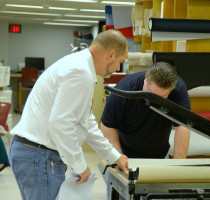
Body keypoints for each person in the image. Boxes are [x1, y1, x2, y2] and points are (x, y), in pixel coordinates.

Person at [9, 30, 129, 200]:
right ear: (111, 55)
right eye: (120, 62)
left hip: (33, 154)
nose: (118, 68)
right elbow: (61, 124)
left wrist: (113, 156)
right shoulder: (80, 73)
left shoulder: (79, 66)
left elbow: (84, 121)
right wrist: (79, 165)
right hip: (40, 156)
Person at [101, 62, 191, 159]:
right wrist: (118, 158)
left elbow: (182, 126)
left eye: (162, 97)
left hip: (159, 154)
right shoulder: (126, 88)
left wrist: (178, 165)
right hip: (124, 152)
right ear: (145, 81)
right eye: (151, 94)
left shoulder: (178, 89)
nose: (154, 101)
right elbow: (108, 125)